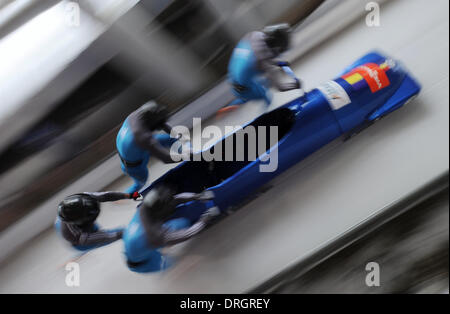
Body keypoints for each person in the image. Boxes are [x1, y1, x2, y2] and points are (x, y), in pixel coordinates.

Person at [123, 186, 219, 273]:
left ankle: (161, 248)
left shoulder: (144, 207)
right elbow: (188, 233)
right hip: (142, 259)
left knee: (173, 217)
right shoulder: (159, 237)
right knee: (183, 223)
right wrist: (206, 217)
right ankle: (165, 254)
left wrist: (198, 196)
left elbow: (175, 199)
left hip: (132, 241)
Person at [116, 101, 190, 193]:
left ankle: (186, 149)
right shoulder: (143, 137)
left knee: (171, 139)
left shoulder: (136, 114)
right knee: (141, 182)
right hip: (135, 167)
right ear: (151, 121)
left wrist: (176, 135)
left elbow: (160, 123)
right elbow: (166, 158)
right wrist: (188, 156)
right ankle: (126, 194)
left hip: (132, 150)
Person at [227, 23, 301, 108]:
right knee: (267, 97)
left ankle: (237, 102)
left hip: (231, 75)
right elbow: (281, 87)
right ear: (278, 47)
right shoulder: (265, 63)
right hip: (242, 89)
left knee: (263, 80)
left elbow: (257, 57)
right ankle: (266, 117)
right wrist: (296, 85)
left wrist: (278, 63)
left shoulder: (254, 35)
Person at [55, 191, 141, 251]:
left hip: (73, 226)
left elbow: (106, 195)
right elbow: (110, 235)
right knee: (122, 233)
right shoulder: (82, 238)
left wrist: (131, 195)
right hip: (80, 242)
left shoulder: (85, 196)